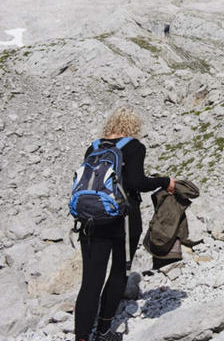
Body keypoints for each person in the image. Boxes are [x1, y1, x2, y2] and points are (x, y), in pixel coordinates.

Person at [75, 107, 175, 341]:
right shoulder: (134, 147)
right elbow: (136, 182)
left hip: (90, 217)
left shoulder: (94, 147)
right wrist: (165, 181)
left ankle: (81, 337)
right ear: (133, 127)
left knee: (90, 281)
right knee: (119, 271)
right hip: (124, 219)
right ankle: (104, 330)